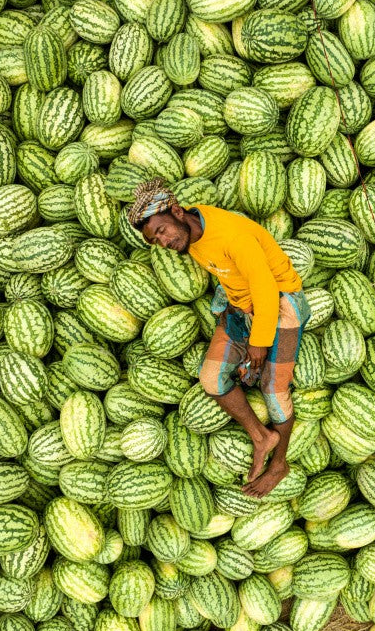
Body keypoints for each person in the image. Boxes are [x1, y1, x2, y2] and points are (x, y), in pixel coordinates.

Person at [127, 178, 310, 497]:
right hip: (241, 306)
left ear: (176, 212)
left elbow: (265, 286)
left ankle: (280, 464)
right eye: (155, 240)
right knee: (211, 379)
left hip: (280, 304)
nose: (164, 241)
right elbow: (224, 270)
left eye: (161, 231)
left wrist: (259, 341)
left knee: (273, 388)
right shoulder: (191, 234)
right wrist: (226, 307)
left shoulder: (231, 234)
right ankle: (261, 436)